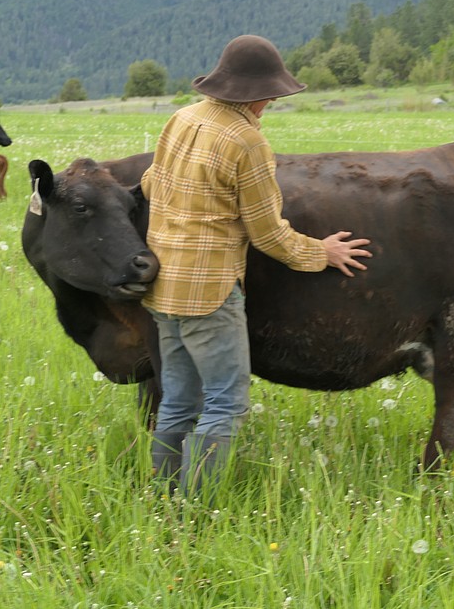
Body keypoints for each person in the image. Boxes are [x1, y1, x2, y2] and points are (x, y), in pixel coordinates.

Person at [139, 34, 372, 499]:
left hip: (163, 285)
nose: (270, 103)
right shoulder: (247, 141)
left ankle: (162, 499)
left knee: (179, 400)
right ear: (260, 94)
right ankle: (194, 511)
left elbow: (150, 184)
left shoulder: (181, 118)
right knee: (225, 402)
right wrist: (321, 253)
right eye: (272, 94)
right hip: (209, 294)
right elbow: (268, 233)